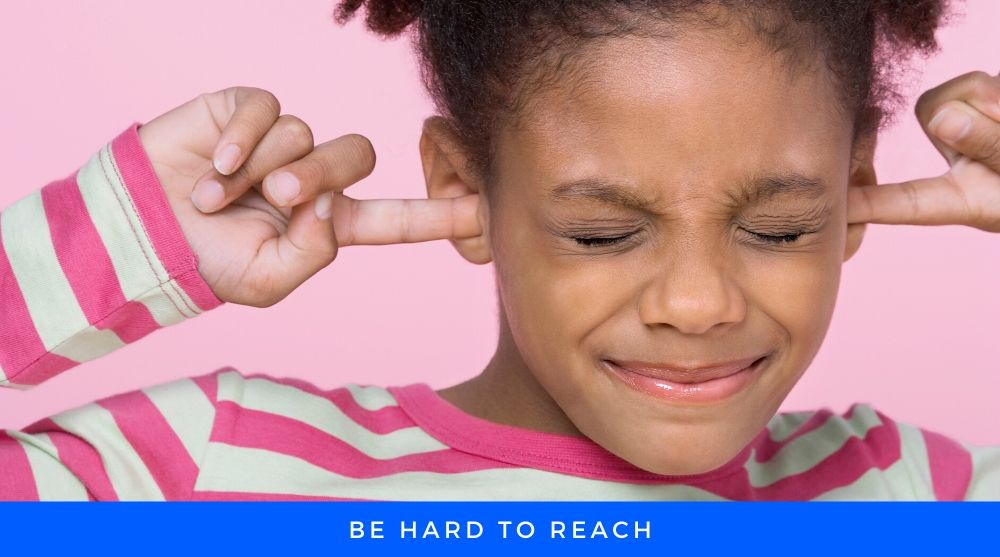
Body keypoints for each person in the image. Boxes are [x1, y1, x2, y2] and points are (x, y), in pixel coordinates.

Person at [1, 0, 999, 500]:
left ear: (857, 186)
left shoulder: (907, 488)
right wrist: (119, 235)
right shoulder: (218, 465)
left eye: (778, 229)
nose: (697, 303)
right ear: (461, 187)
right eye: (601, 231)